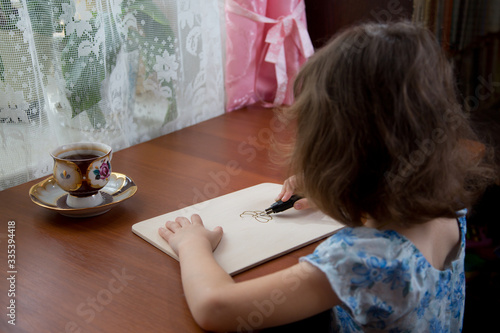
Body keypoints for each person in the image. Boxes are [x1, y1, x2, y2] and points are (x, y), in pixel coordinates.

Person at [158, 20, 496, 332]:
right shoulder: (446, 204)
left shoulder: (362, 260)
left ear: (338, 157)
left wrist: (192, 245)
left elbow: (216, 307)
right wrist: (337, 192)